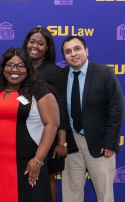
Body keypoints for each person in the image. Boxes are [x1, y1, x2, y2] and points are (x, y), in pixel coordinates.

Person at [0, 47, 60, 202]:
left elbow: (52, 124)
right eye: (10, 65)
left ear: (28, 68)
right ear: (3, 67)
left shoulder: (39, 90)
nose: (15, 69)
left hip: (28, 162)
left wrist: (38, 159)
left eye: (21, 65)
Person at [61, 36, 124, 202]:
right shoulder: (61, 76)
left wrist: (110, 143)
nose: (73, 54)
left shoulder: (104, 73)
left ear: (86, 51)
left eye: (77, 49)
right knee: (70, 194)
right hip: (71, 143)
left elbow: (116, 109)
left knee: (104, 195)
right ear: (64, 57)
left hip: (100, 143)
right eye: (68, 51)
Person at [22, 26, 77, 202]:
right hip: (25, 133)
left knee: (48, 176)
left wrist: (62, 141)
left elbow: (61, 105)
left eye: (40, 43)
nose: (35, 46)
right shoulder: (20, 68)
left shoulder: (54, 71)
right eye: (32, 42)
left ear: (47, 48)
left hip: (49, 133)